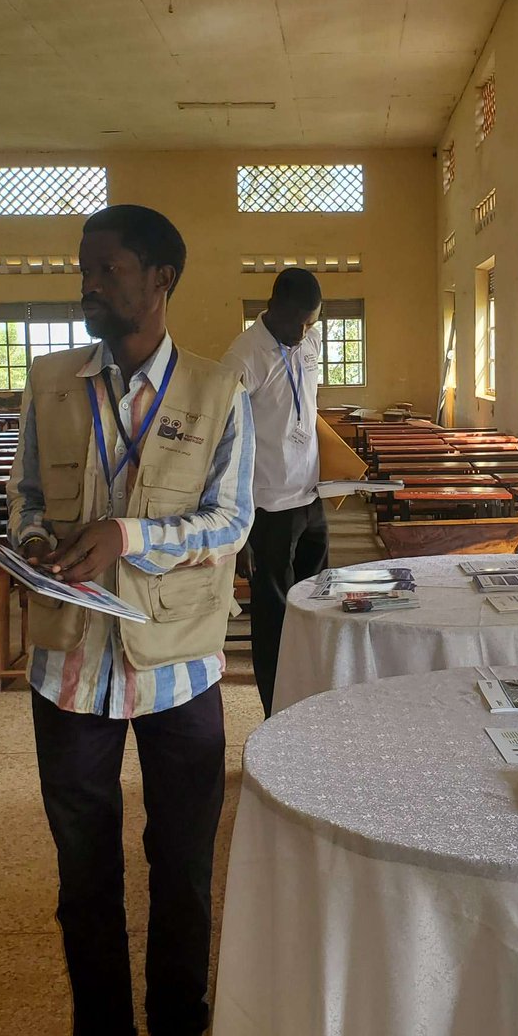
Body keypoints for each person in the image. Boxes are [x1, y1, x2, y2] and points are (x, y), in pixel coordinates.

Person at [7, 204, 255, 1036]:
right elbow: (26, 498)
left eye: (107, 270)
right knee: (84, 873)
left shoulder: (219, 391)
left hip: (177, 665)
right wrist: (33, 543)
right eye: (84, 270)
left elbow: (231, 521)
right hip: (70, 665)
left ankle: (179, 1033)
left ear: (160, 279)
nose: (88, 286)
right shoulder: (51, 382)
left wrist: (128, 536)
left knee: (181, 866)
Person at [222, 268, 328, 716]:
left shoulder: (309, 341)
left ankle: (313, 703)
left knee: (318, 605)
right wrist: (239, 529)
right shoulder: (243, 357)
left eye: (310, 322)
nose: (303, 332)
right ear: (273, 307)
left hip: (311, 498)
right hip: (266, 509)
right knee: (274, 621)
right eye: (296, 322)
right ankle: (277, 714)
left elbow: (306, 412)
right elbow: (225, 444)